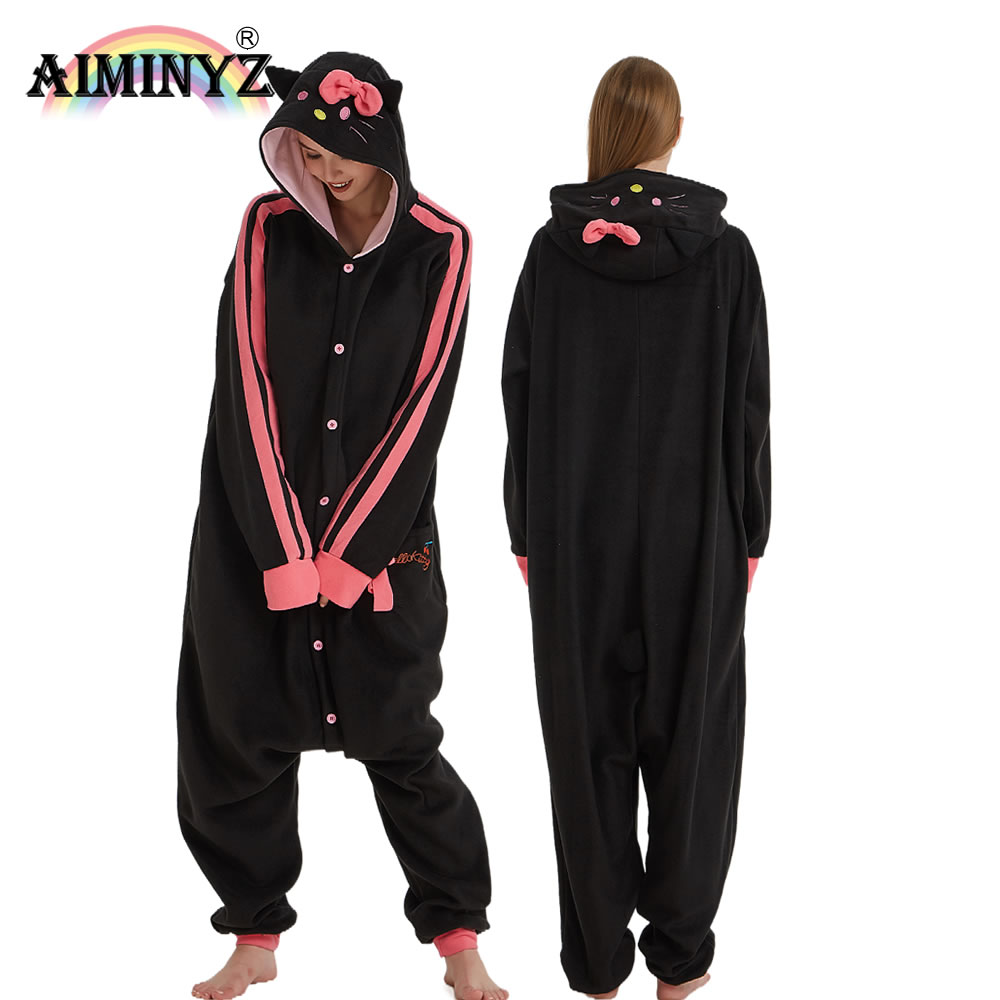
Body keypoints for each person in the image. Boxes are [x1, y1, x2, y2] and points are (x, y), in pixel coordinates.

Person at [177, 50, 507, 1000]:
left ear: (382, 144)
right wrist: (284, 548)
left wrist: (350, 552)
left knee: (399, 734)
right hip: (251, 527)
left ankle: (459, 942)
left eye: (339, 153)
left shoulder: (443, 246)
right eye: (308, 154)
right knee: (234, 730)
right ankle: (253, 936)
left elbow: (423, 408)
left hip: (384, 537)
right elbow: (245, 383)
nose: (324, 171)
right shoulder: (267, 227)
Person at [500, 56, 771, 999]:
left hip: (575, 535)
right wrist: (751, 533)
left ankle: (598, 967)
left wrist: (525, 531)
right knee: (696, 746)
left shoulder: (551, 252)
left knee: (586, 750)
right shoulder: (727, 255)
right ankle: (680, 966)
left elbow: (520, 402)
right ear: (675, 130)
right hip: (698, 536)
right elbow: (749, 408)